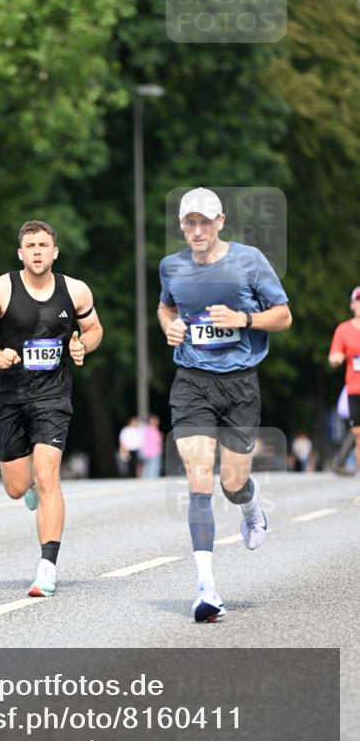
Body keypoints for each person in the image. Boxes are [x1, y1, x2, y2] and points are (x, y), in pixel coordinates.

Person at [157, 187, 292, 623]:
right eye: (189, 223)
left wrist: (245, 320)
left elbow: (284, 315)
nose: (197, 230)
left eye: (204, 222)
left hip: (240, 384)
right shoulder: (171, 266)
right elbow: (165, 309)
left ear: (220, 222)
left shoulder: (249, 260)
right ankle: (206, 586)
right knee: (198, 479)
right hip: (192, 382)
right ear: (182, 226)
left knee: (232, 485)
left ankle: (251, 507)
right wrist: (171, 327)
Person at [0, 219, 103, 596]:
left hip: (53, 397)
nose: (37, 251)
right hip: (9, 396)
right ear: (20, 253)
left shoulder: (75, 291)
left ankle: (47, 568)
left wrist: (81, 346)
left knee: (48, 476)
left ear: (55, 251)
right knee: (16, 487)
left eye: (44, 245)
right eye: (30, 246)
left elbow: (94, 330)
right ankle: (27, 489)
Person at [328, 286, 360, 474]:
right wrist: (336, 359)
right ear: (352, 305)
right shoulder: (343, 330)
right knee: (358, 435)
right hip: (355, 389)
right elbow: (333, 357)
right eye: (358, 300)